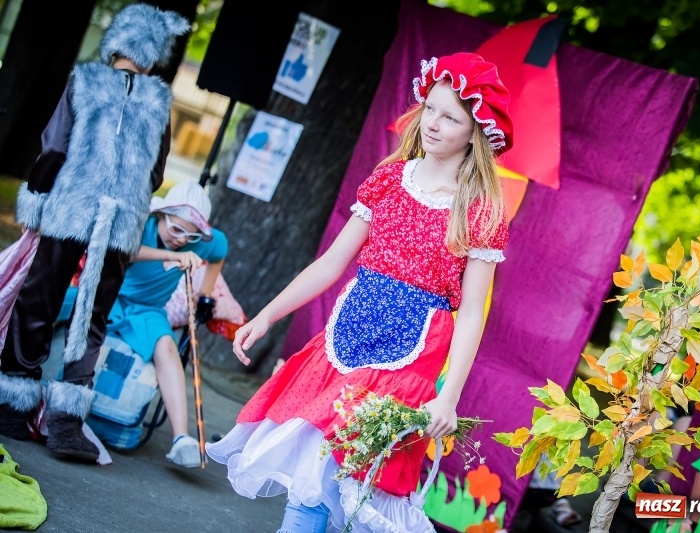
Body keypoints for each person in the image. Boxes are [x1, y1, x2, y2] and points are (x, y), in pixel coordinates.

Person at [206, 52, 514, 533]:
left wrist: (447, 396)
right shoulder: (392, 177)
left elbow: (473, 313)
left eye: (450, 117)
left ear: (475, 132)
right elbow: (331, 262)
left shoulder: (479, 211)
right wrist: (266, 315)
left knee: (353, 478)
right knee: (316, 466)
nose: (432, 123)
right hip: (347, 335)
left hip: (412, 355)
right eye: (430, 108)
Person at [0, 4, 189, 462]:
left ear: (118, 42)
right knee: (93, 318)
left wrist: (37, 198)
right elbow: (156, 172)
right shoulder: (159, 101)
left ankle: (11, 405)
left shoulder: (83, 81)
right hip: (121, 224)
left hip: (70, 209)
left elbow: (54, 147)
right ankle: (66, 423)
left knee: (39, 300)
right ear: (154, 53)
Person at [104, 180, 228, 468]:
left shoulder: (200, 242)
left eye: (190, 235)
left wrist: (205, 294)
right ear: (162, 215)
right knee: (46, 303)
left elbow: (219, 252)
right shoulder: (141, 220)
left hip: (147, 309)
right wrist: (172, 255)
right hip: (105, 295)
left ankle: (181, 438)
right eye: (176, 229)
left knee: (167, 346)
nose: (182, 239)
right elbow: (125, 249)